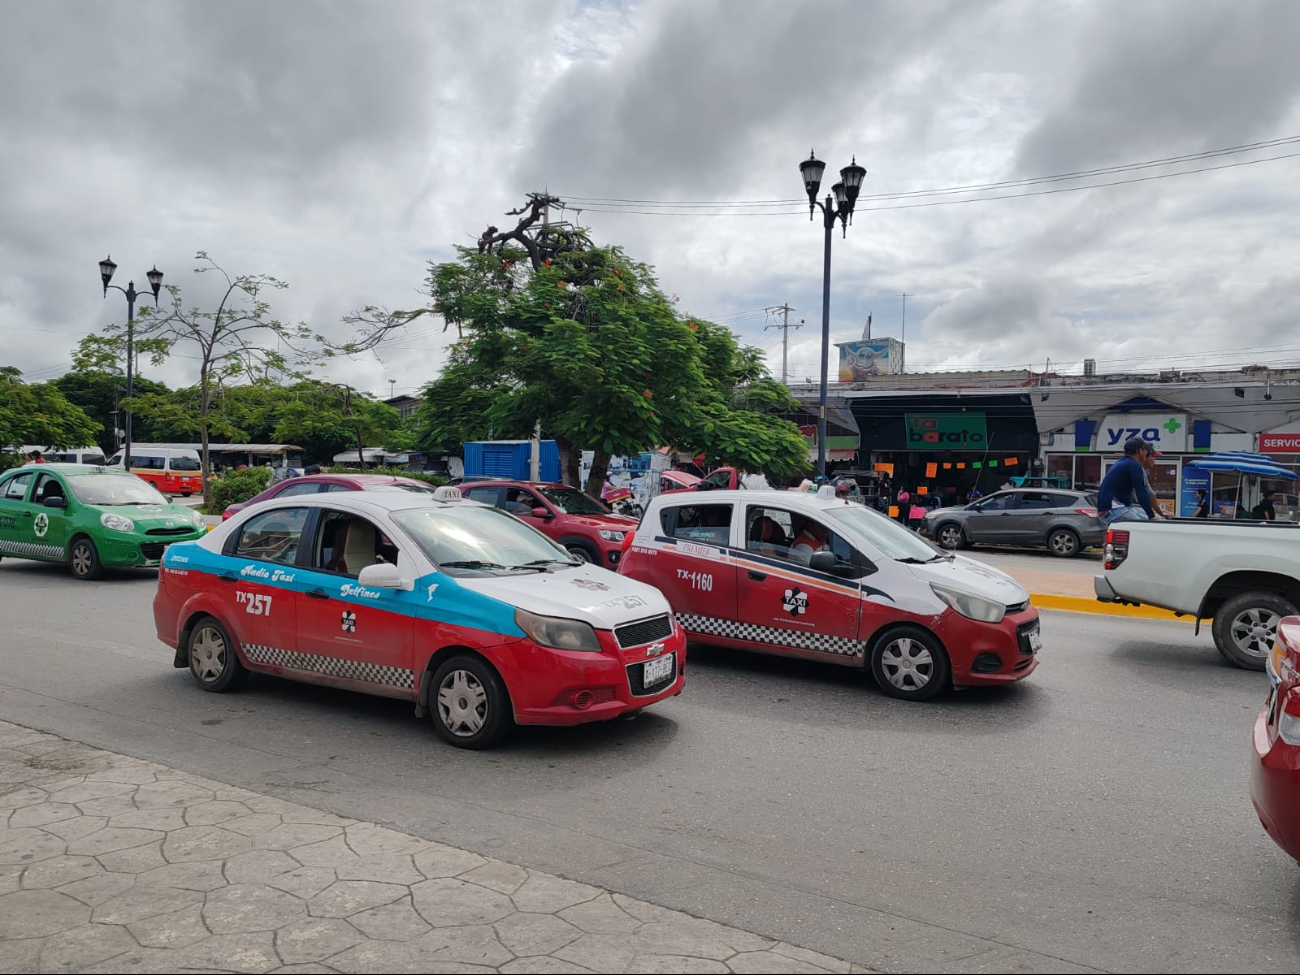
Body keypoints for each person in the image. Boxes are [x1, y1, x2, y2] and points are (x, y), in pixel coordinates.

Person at [1097, 438, 1155, 523]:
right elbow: (1141, 492)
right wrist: (1151, 515)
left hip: (1113, 510)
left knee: (1148, 522)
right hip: (1115, 511)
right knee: (1146, 526)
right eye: (1145, 450)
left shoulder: (1123, 463)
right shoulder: (1134, 465)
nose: (1147, 452)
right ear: (1140, 451)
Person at [1139, 447, 1165, 520]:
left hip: (1130, 507)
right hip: (1126, 508)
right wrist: (1161, 515)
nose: (1154, 460)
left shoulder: (1140, 469)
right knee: (1160, 520)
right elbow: (1151, 496)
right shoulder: (1139, 470)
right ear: (1145, 456)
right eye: (1153, 456)